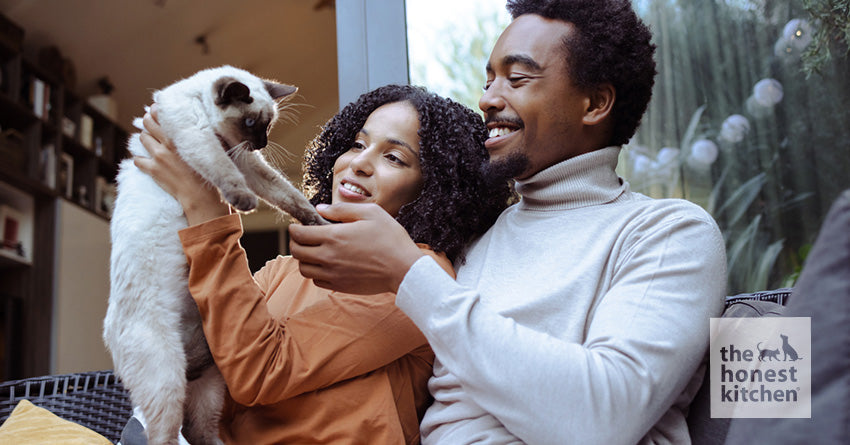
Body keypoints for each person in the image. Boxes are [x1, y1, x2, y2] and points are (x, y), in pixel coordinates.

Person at [288, 0, 728, 444]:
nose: (487, 99)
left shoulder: (667, 233)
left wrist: (408, 273)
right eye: (488, 79)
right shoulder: (473, 244)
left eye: (516, 79)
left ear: (594, 103)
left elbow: (603, 419)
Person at [133, 84, 513, 444]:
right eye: (357, 144)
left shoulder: (416, 275)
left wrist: (207, 209)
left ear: (433, 192)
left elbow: (260, 372)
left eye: (394, 158)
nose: (359, 163)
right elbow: (214, 361)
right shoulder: (285, 269)